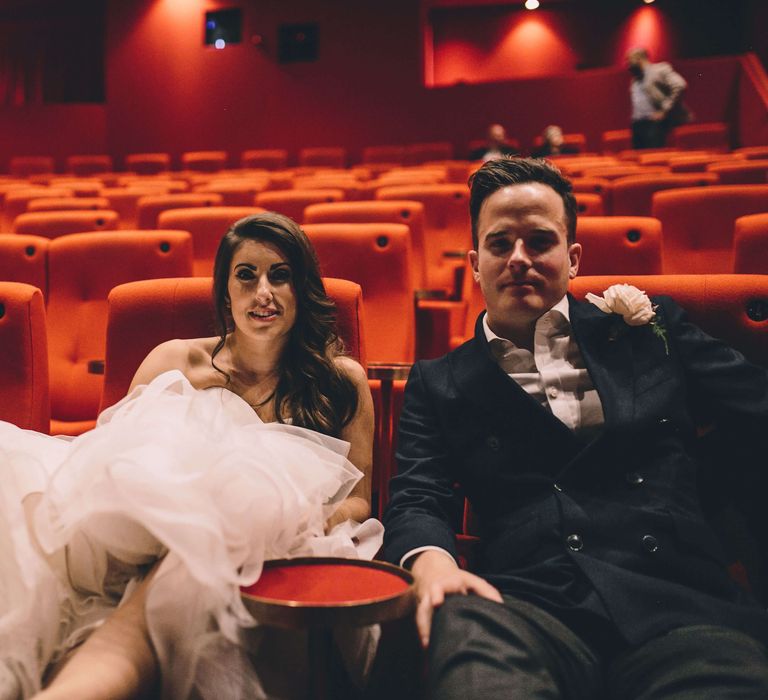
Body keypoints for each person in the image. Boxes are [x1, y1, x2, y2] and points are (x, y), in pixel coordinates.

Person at [382, 157, 768, 698]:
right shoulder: (437, 382)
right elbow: (418, 499)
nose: (518, 259)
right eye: (499, 244)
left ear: (573, 257)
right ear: (474, 262)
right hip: (521, 605)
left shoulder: (647, 328)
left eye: (539, 241)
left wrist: (711, 501)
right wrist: (433, 565)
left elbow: (757, 409)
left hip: (679, 602)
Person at [0, 212, 380, 699]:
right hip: (132, 540)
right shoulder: (173, 361)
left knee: (198, 554)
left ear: (301, 289)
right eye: (246, 276)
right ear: (225, 292)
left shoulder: (341, 381)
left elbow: (360, 502)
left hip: (270, 545)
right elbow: (108, 465)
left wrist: (282, 514)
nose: (263, 292)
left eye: (280, 276)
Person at [626, 47, 690, 149]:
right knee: (638, 160)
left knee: (653, 159)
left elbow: (679, 85)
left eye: (629, 60)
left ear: (639, 58)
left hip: (653, 125)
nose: (627, 64)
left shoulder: (659, 70)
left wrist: (664, 109)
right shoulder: (635, 79)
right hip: (637, 126)